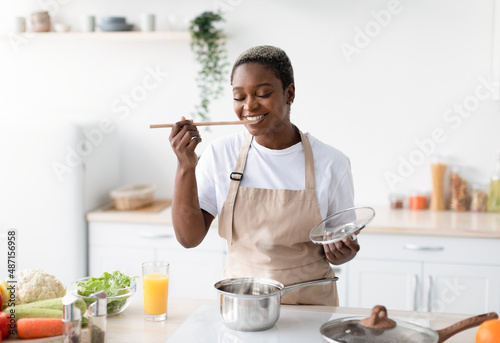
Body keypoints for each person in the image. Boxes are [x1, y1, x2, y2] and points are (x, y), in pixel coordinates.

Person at [169, 45, 358, 306]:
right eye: (239, 97)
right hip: (242, 305)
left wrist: (341, 253)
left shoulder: (332, 162)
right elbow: (188, 238)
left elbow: (341, 248)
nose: (249, 106)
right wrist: (185, 166)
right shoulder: (221, 154)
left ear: (289, 93)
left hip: (310, 307)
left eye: (263, 93)